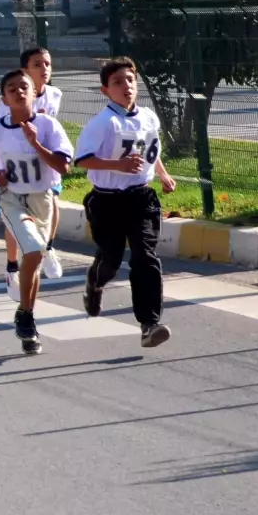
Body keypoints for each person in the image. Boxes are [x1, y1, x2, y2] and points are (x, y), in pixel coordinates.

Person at [74, 57, 177, 348]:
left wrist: (163, 175)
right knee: (111, 258)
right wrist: (116, 165)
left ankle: (149, 324)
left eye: (130, 80)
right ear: (105, 90)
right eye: (117, 82)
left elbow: (150, 151)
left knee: (145, 256)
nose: (126, 86)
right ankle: (95, 283)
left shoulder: (147, 118)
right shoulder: (103, 123)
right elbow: (81, 160)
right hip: (107, 201)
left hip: (141, 197)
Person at [0, 69, 74, 355]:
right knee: (31, 248)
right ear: (4, 98)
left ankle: (25, 314)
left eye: (24, 87)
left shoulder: (48, 126)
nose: (19, 92)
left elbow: (63, 167)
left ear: (34, 93)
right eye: (12, 89)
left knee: (35, 256)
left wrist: (35, 143)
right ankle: (27, 318)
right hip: (12, 199)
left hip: (42, 198)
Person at [0, 47, 65, 297]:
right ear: (25, 70)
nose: (44, 69)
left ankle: (47, 247)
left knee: (54, 203)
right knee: (15, 219)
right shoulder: (11, 97)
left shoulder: (55, 94)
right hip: (17, 168)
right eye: (37, 64)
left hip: (46, 164)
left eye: (47, 63)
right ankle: (12, 266)